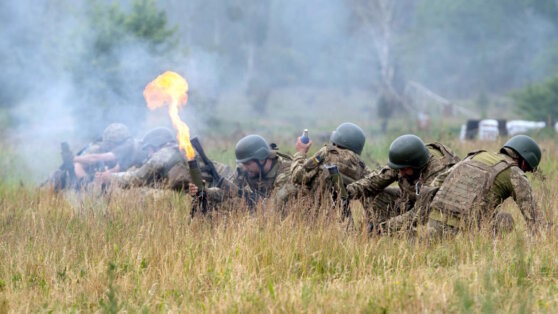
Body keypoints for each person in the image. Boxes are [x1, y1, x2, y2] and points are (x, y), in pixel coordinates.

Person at [426, 135, 549, 237]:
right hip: (462, 234)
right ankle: (485, 250)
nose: (525, 172)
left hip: (433, 226)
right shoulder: (515, 173)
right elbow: (535, 220)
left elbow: (437, 181)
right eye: (526, 169)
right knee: (505, 219)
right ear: (523, 161)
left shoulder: (475, 156)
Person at [346, 134, 460, 233]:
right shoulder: (404, 160)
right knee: (376, 195)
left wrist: (381, 228)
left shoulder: (436, 173)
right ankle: (381, 235)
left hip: (438, 211)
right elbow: (374, 181)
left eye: (404, 169)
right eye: (398, 169)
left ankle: (403, 237)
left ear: (417, 165)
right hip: (414, 200)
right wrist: (349, 191)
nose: (400, 173)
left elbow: (419, 215)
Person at [96, 127, 233, 190]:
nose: (149, 155)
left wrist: (110, 177)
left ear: (155, 145)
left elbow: (136, 179)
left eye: (148, 150)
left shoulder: (163, 155)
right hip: (225, 181)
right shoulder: (178, 150)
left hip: (225, 187)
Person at [189, 134, 292, 211]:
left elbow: (274, 207)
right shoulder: (244, 170)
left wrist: (239, 193)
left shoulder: (286, 171)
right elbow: (225, 192)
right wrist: (206, 191)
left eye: (247, 163)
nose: (244, 168)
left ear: (261, 159)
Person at [290, 122, 374, 213]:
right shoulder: (361, 167)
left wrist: (301, 152)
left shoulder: (326, 153)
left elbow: (298, 176)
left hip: (313, 215)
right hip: (342, 220)